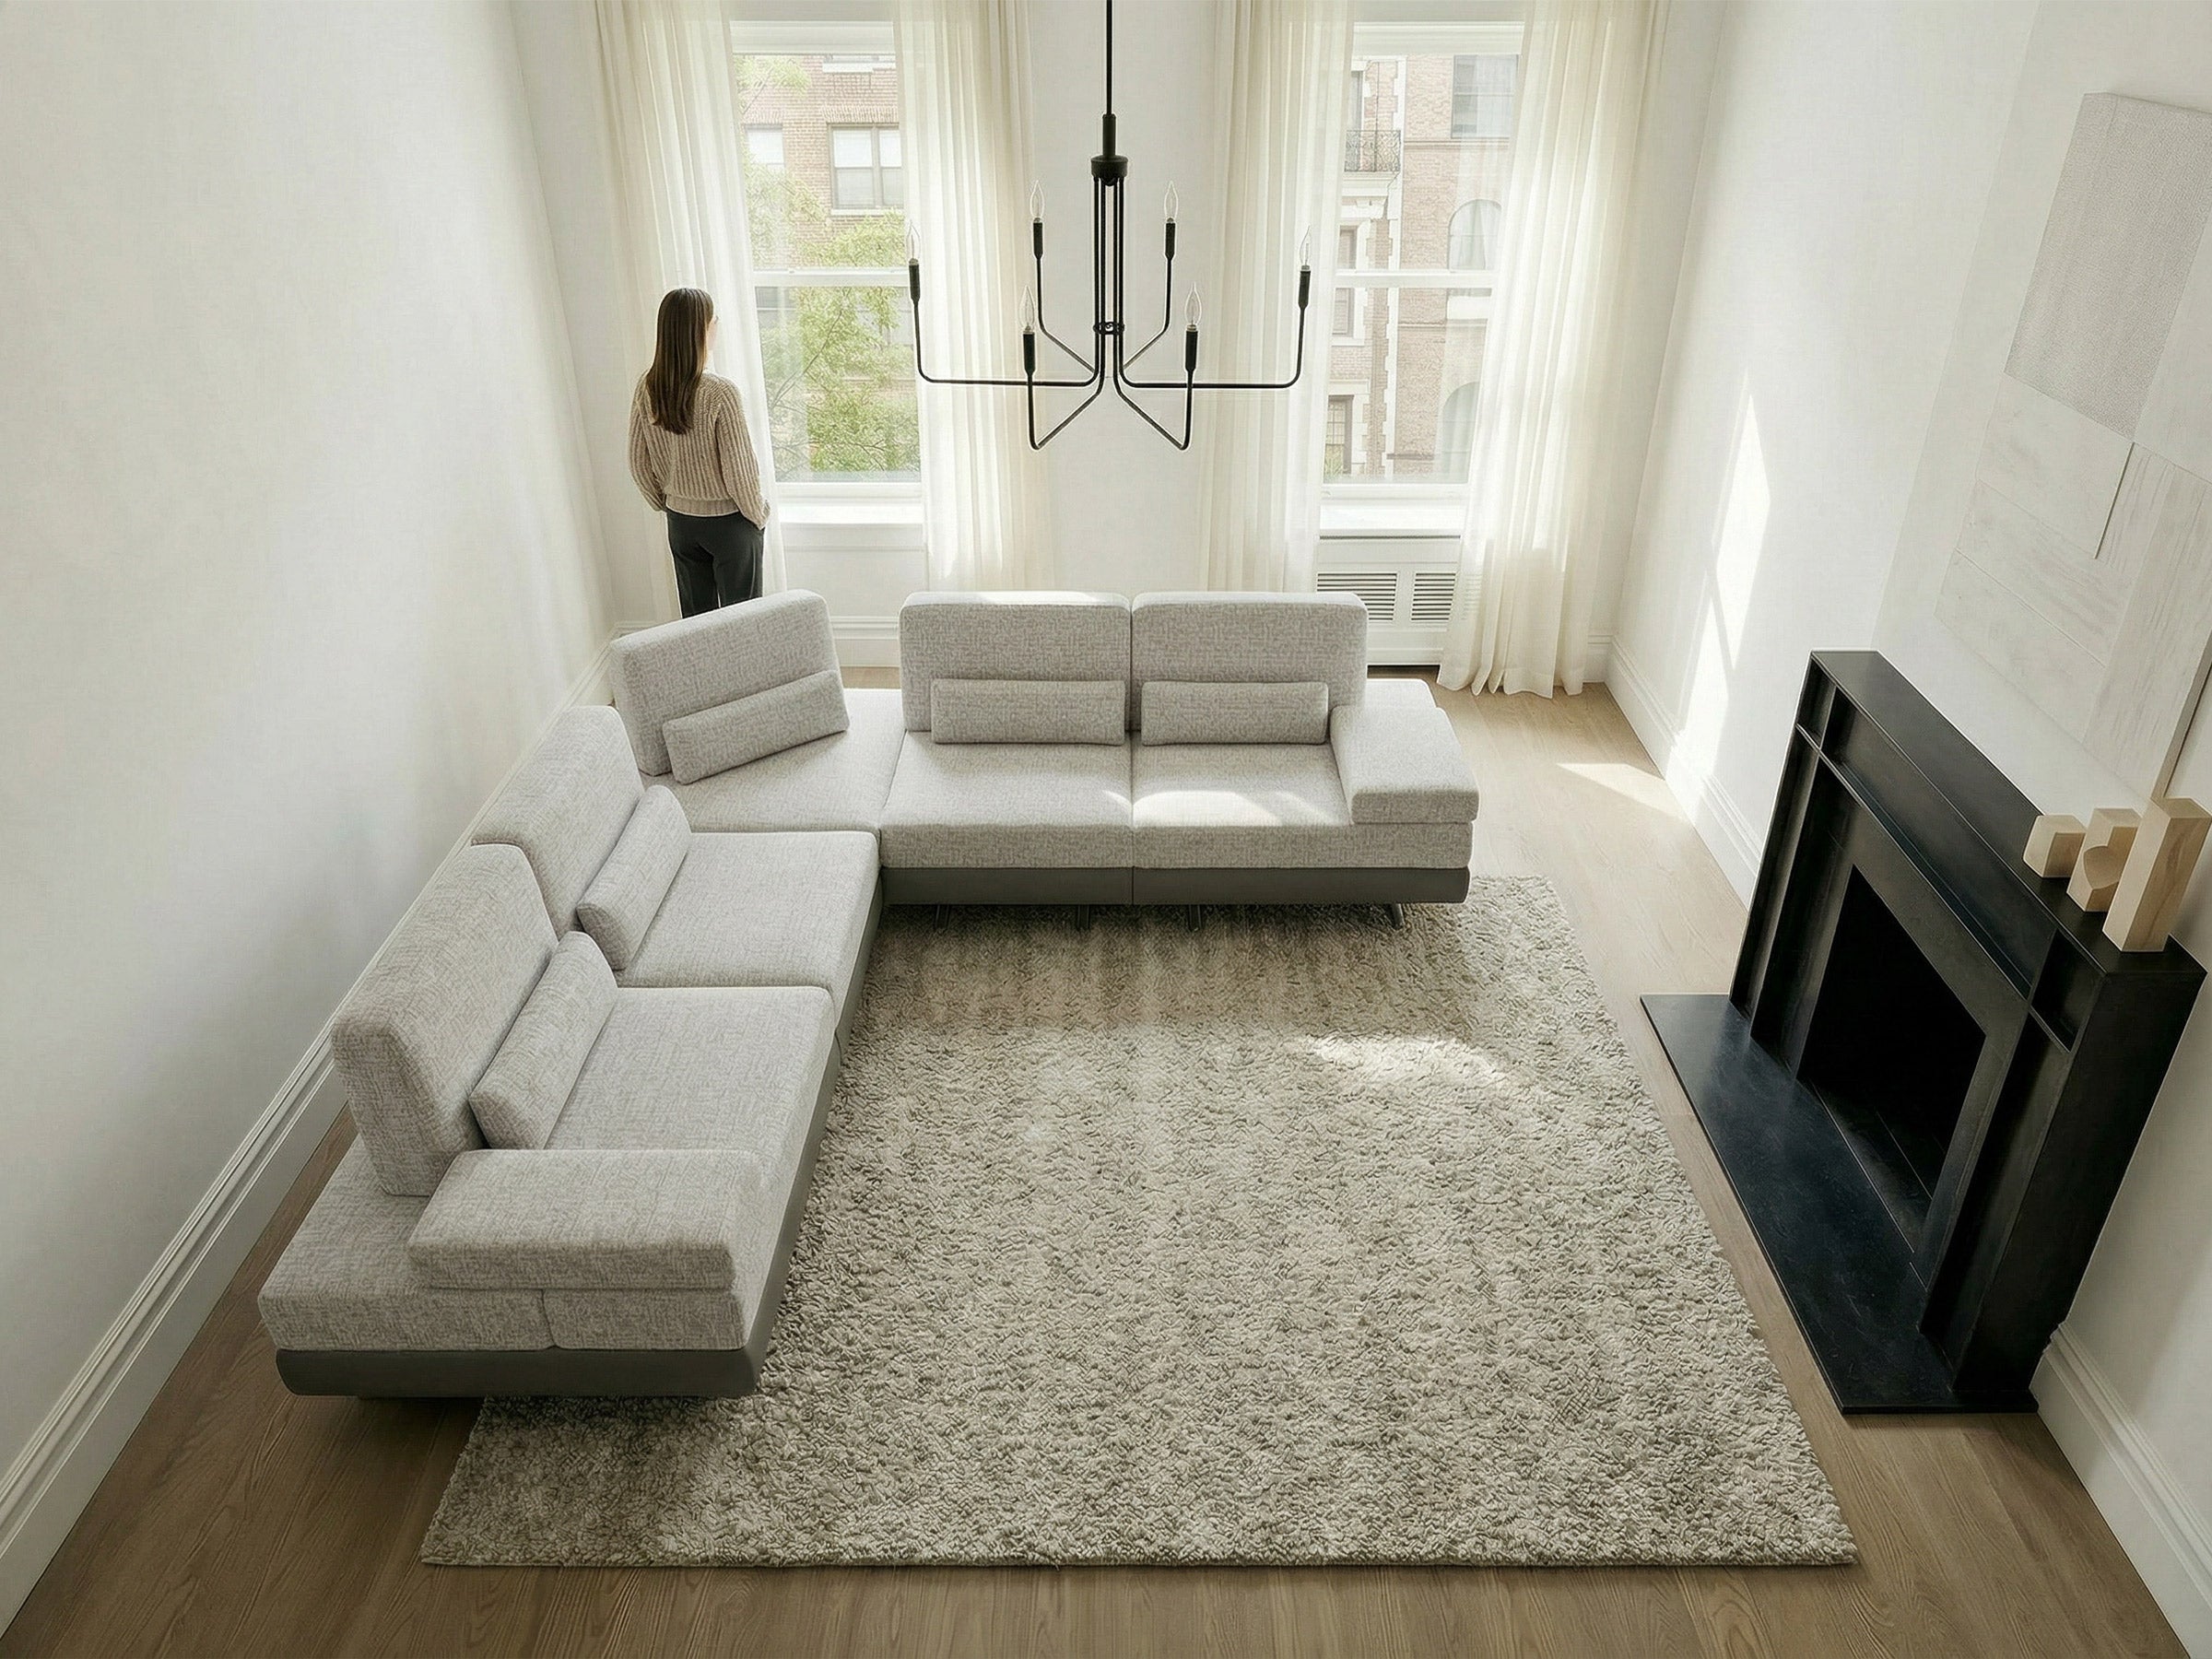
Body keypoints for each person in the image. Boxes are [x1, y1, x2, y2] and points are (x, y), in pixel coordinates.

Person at [628, 288, 769, 616]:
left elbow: (637, 461)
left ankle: (702, 671)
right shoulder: (720, 392)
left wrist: (667, 505)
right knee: (743, 624)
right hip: (730, 524)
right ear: (702, 329)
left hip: (681, 525)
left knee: (696, 627)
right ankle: (741, 671)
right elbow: (739, 470)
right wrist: (758, 515)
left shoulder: (647, 386)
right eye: (713, 319)